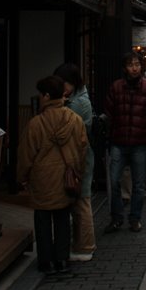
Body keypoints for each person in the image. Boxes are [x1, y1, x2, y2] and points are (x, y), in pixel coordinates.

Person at [17, 74, 88, 278]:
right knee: (63, 219)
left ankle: (46, 262)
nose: (40, 98)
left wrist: (22, 177)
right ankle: (62, 260)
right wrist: (78, 173)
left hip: (42, 178)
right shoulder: (75, 120)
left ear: (47, 96)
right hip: (66, 177)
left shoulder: (36, 123)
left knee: (42, 219)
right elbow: (83, 149)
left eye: (41, 94)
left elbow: (26, 154)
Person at [104, 52, 146, 233]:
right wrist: (108, 135)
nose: (135, 68)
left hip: (139, 142)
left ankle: (135, 218)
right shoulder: (116, 88)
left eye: (137, 64)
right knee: (114, 182)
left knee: (138, 185)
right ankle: (116, 218)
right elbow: (109, 113)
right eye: (131, 65)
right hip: (118, 141)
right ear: (125, 68)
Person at [54, 62, 96, 262]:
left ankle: (85, 246)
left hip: (80, 158)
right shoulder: (76, 98)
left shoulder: (78, 103)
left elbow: (66, 132)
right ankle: (82, 244)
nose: (62, 88)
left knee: (81, 201)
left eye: (64, 84)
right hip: (77, 157)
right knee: (79, 201)